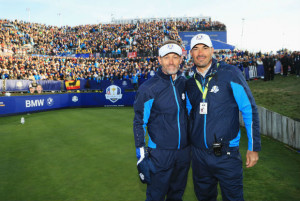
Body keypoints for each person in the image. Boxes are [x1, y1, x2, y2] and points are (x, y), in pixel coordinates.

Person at [186, 34, 261, 201]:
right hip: (198, 156)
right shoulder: (189, 80)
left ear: (212, 50)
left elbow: (249, 109)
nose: (201, 53)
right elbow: (188, 115)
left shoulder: (230, 73)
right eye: (196, 49)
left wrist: (253, 146)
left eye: (205, 48)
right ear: (190, 53)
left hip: (226, 154)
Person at [133, 40, 190, 201]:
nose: (171, 62)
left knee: (176, 196)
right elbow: (139, 122)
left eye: (175, 57)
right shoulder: (148, 88)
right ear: (159, 60)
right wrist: (141, 155)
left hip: (184, 153)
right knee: (155, 197)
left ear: (181, 59)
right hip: (160, 154)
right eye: (166, 57)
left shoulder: (185, 84)